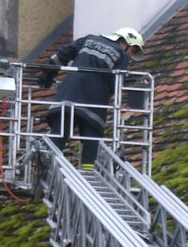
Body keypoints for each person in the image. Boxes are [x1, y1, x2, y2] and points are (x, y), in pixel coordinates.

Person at [38, 28, 144, 170]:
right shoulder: (121, 55)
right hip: (94, 103)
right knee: (91, 139)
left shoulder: (89, 39)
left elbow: (62, 55)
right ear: (127, 44)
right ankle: (87, 171)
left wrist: (48, 73)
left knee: (60, 132)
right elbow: (116, 83)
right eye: (132, 51)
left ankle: (47, 161)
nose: (130, 56)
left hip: (69, 95)